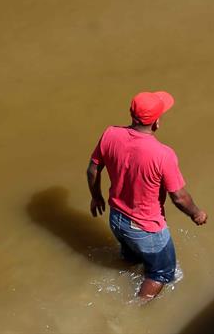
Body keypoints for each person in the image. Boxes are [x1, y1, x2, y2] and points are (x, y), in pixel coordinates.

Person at [87, 91, 207, 301]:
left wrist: (96, 197)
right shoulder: (163, 154)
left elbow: (93, 169)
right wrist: (197, 213)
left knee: (131, 259)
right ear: (157, 122)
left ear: (131, 114)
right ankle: (133, 312)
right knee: (161, 274)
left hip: (116, 219)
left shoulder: (110, 134)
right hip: (146, 228)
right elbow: (179, 197)